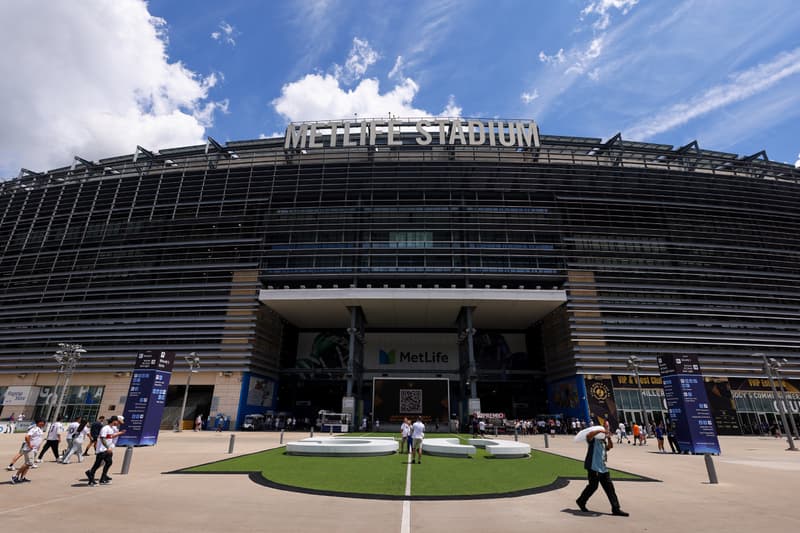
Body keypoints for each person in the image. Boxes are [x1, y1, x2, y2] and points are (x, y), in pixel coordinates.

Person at [575, 423, 629, 517]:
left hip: (603, 468)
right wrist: (601, 431)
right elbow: (589, 435)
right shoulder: (594, 440)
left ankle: (616, 509)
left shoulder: (603, 441)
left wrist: (608, 438)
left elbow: (610, 447)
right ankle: (581, 501)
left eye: (608, 427)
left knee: (610, 489)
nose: (607, 428)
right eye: (606, 427)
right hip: (593, 467)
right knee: (593, 486)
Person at [86, 415, 125, 486]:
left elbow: (111, 436)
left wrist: (120, 433)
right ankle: (91, 478)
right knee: (97, 464)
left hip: (107, 449)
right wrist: (107, 447)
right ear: (114, 421)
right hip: (102, 449)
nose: (117, 423)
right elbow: (102, 438)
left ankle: (102, 478)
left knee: (109, 462)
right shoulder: (105, 428)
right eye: (116, 421)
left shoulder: (111, 428)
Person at [11, 418, 46, 484]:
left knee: (28, 464)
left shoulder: (40, 430)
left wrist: (38, 446)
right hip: (29, 449)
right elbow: (27, 437)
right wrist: (29, 445)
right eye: (43, 422)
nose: (44, 423)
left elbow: (38, 439)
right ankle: (15, 476)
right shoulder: (34, 429)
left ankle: (22, 477)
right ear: (39, 422)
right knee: (29, 463)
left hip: (35, 449)